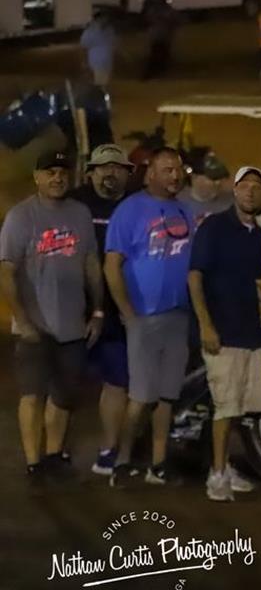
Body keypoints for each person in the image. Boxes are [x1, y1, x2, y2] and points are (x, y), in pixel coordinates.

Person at [0, 152, 102, 484]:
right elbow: (6, 272)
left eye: (62, 172)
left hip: (72, 325)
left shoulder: (80, 214)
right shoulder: (21, 216)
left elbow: (90, 264)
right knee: (32, 394)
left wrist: (97, 310)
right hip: (34, 327)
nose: (57, 178)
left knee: (64, 395)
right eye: (50, 172)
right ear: (37, 177)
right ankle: (33, 463)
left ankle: (54, 455)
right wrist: (23, 320)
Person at [104, 148, 195, 487]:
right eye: (167, 169)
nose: (175, 175)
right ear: (150, 174)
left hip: (178, 315)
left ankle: (158, 464)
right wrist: (128, 313)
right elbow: (111, 265)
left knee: (167, 396)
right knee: (141, 396)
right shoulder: (129, 211)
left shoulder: (185, 210)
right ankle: (123, 461)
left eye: (178, 169)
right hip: (144, 317)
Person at [188, 166, 261, 502]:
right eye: (244, 185)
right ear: (234, 191)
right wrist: (206, 324)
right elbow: (195, 277)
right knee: (224, 407)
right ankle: (217, 474)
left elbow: (258, 283)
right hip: (222, 333)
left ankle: (223, 466)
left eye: (256, 186)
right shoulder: (214, 227)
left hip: (249, 333)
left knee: (237, 407)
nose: (250, 191)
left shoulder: (258, 235)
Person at [67, 144, 135, 476]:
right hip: (74, 309)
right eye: (103, 167)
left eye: (117, 167)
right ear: (90, 172)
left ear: (127, 173)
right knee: (66, 384)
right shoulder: (73, 203)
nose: (110, 172)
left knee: (116, 381)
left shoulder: (136, 204)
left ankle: (109, 451)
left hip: (120, 310)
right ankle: (55, 451)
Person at [177, 152, 233, 224]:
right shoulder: (176, 203)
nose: (218, 182)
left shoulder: (232, 204)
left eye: (220, 177)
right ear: (194, 177)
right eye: (212, 178)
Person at [80, 11, 116, 87]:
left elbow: (112, 44)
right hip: (96, 63)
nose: (105, 21)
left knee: (104, 84)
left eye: (106, 19)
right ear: (96, 20)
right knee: (99, 85)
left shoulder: (109, 30)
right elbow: (84, 48)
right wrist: (85, 62)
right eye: (102, 19)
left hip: (107, 63)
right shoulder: (89, 32)